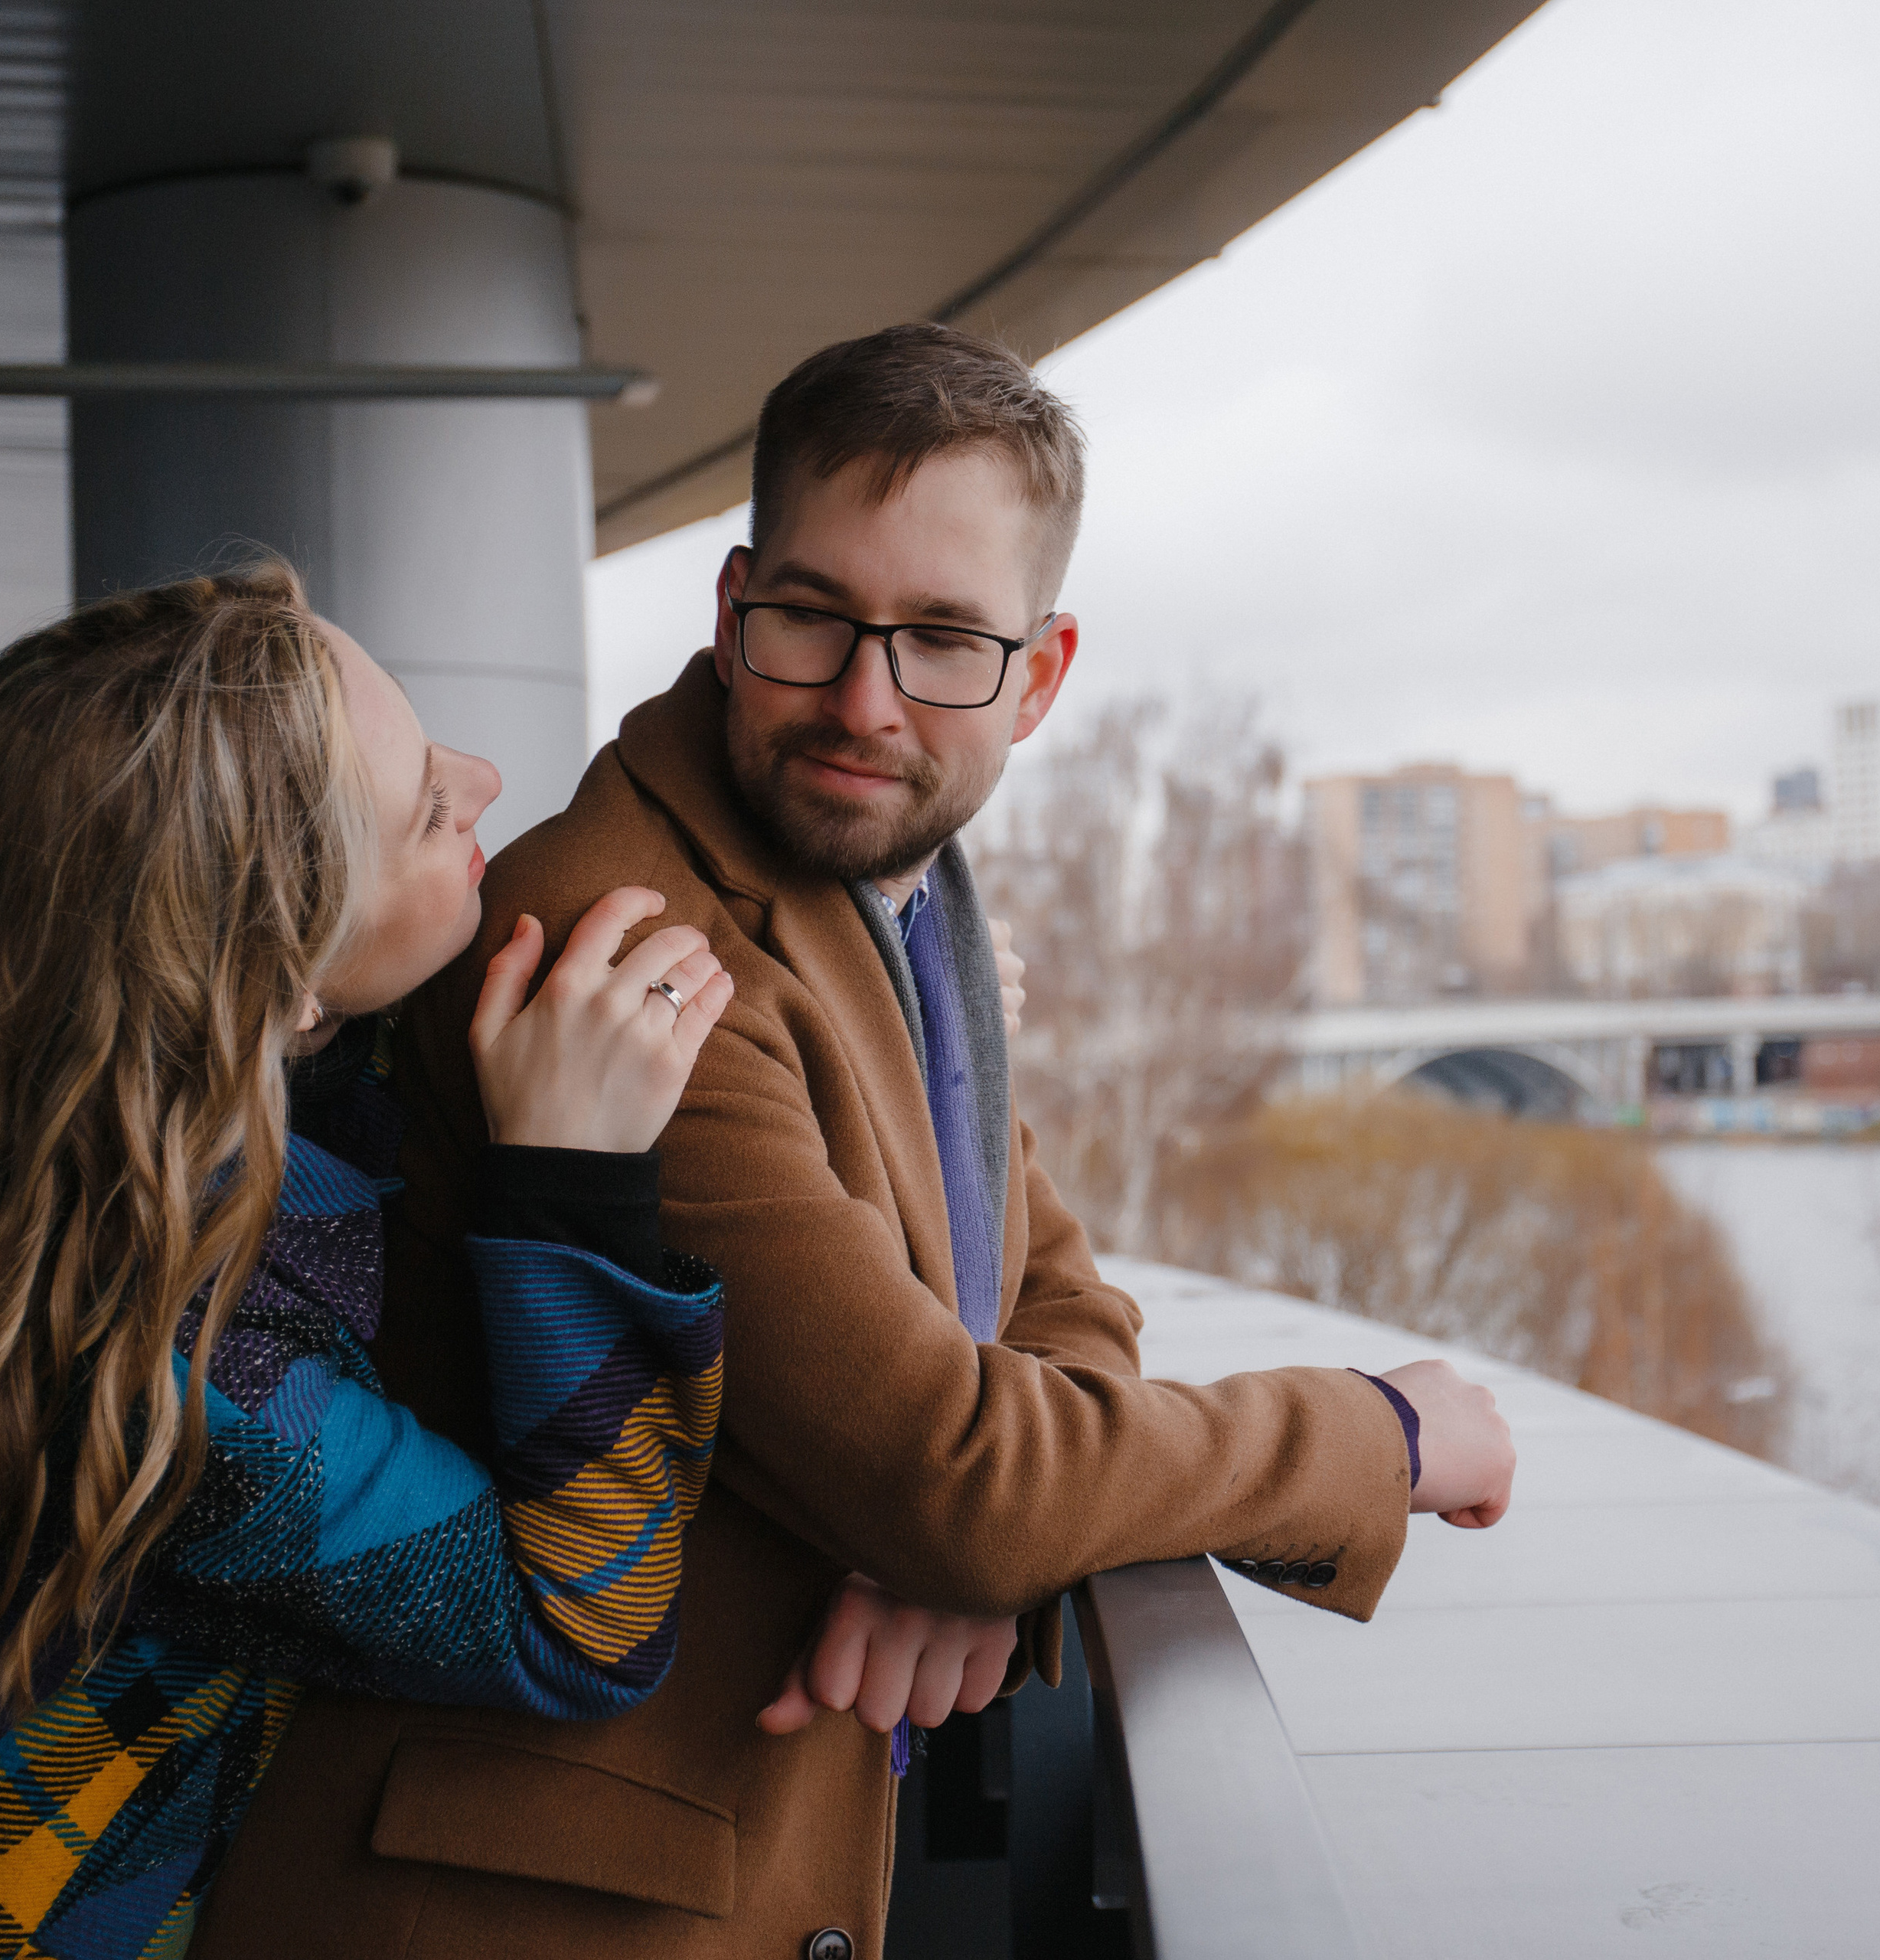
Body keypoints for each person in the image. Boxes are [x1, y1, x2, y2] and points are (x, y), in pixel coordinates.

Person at [201, 325, 1516, 1960]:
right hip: (509, 1907)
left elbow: (1049, 1300)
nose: (862, 701)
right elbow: (952, 1465)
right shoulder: (627, 945)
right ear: (731, 602)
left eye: (944, 639)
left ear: (1038, 674)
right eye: (811, 617)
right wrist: (1376, 1431)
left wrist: (979, 1547)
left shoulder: (903, 900)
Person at [0, 566, 733, 1958]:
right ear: (270, 981)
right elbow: (582, 1626)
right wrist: (578, 1185)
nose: (486, 779)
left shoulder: (38, 1131)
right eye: (428, 805)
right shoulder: (170, 1369)